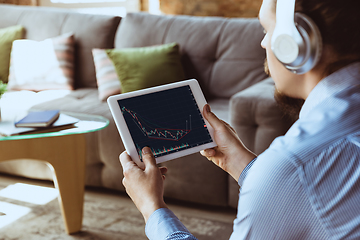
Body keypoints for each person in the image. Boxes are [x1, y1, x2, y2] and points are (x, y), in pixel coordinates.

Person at [119, 0, 360, 239]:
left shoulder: (294, 165)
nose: (263, 43)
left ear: (298, 44)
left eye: (267, 30)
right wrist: (237, 160)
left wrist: (152, 208)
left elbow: (295, 177)